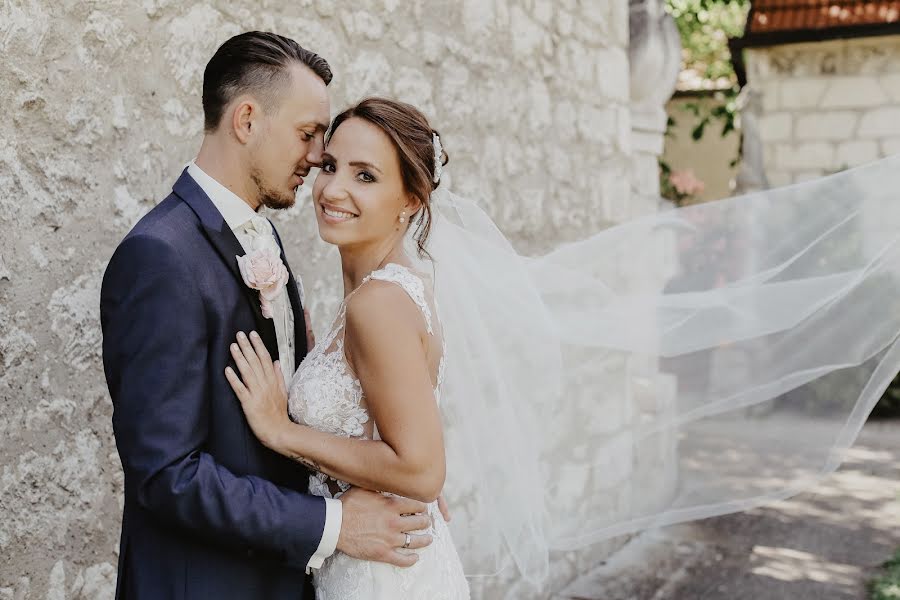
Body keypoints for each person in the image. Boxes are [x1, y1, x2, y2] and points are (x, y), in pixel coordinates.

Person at [227, 93, 900, 597]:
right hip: (386, 553)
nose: (333, 189)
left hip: (381, 573)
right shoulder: (396, 289)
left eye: (365, 176)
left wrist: (281, 430)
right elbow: (407, 444)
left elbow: (423, 470)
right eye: (331, 166)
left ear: (412, 200)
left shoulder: (378, 303)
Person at [100, 33, 436, 600]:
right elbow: (166, 476)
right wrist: (333, 525)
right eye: (309, 136)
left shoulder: (265, 243)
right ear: (248, 120)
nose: (315, 159)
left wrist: (395, 472)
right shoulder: (160, 256)